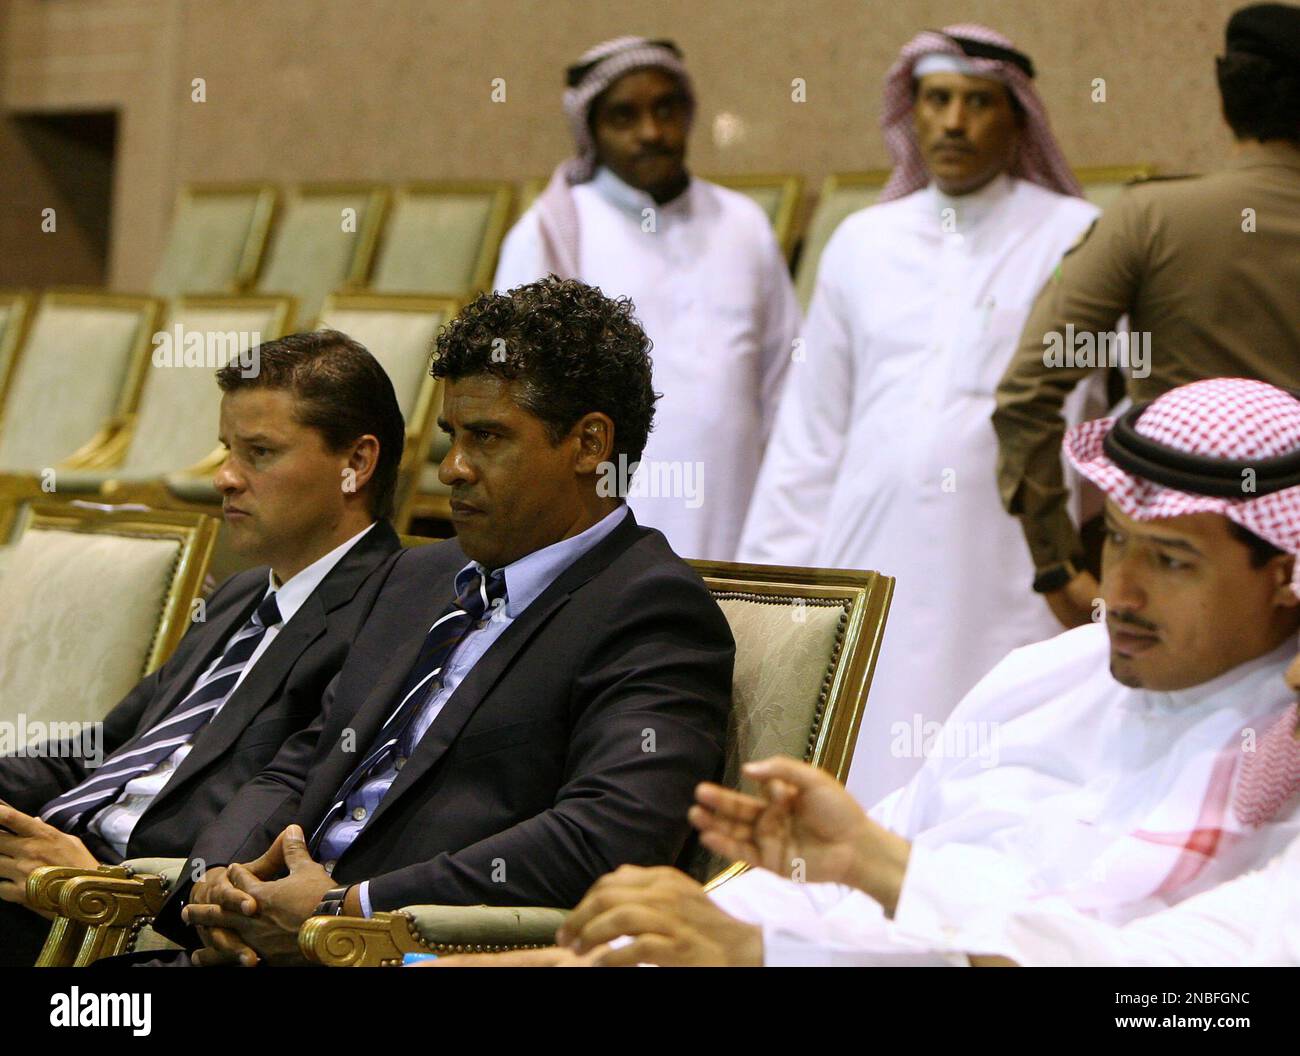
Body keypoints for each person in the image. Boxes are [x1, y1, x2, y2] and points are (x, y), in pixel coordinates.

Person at [496, 378, 1300, 967]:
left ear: (1283, 573)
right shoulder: (1045, 679)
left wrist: (771, 951)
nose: (1118, 590)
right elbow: (828, 879)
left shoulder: (1283, 763)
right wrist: (629, 950)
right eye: (1118, 540)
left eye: (1171, 560)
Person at [150, 278, 733, 966]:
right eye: (453, 436)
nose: (452, 469)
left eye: (487, 438)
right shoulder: (418, 577)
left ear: (589, 446)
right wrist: (223, 884)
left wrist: (348, 910)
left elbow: (603, 840)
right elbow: (301, 760)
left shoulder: (650, 607)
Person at [738, 24, 1103, 806]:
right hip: (872, 545)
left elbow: (1099, 414)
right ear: (913, 112)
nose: (954, 122)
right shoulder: (861, 242)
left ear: (1019, 118)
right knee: (867, 747)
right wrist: (778, 589)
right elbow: (812, 430)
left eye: (978, 102)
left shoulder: (1072, 237)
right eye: (936, 100)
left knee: (997, 759)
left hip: (1008, 561)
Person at [0, 330, 403, 966]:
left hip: (123, 906)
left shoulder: (392, 615)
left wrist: (106, 882)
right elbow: (104, 752)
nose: (224, 478)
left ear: (357, 461)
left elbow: (287, 806)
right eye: (226, 450)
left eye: (260, 453)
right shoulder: (237, 596)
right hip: (46, 870)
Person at [994, 1, 1300, 629]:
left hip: (1172, 575)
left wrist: (1058, 567)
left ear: (1224, 97)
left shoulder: (1151, 219)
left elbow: (1029, 388)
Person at [494, 36, 800, 562]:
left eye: (666, 110)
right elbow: (518, 399)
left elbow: (787, 381)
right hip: (606, 522)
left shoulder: (742, 223)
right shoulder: (552, 234)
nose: (652, 133)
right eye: (624, 116)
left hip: (742, 506)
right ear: (590, 130)